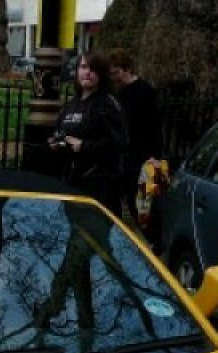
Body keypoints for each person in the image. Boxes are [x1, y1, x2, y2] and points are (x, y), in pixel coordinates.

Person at [48, 50, 129, 216]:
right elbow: (61, 133)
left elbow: (119, 143)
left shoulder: (107, 104)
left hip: (100, 190)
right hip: (72, 184)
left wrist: (84, 146)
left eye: (93, 69)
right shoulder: (72, 104)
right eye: (84, 67)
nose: (87, 72)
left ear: (101, 74)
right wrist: (56, 144)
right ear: (77, 71)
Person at [109, 49, 164, 233]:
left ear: (127, 69)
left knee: (145, 204)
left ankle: (152, 239)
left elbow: (155, 125)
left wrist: (156, 155)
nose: (114, 77)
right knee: (132, 201)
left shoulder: (145, 91)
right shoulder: (119, 94)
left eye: (116, 72)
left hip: (145, 154)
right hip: (127, 154)